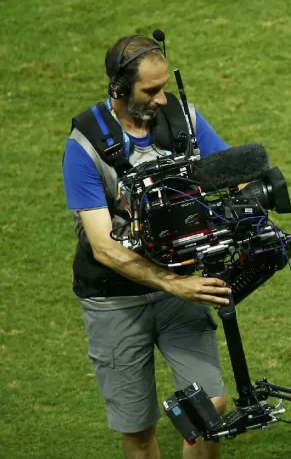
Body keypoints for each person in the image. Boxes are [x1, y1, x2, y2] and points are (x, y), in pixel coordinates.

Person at [62, 34, 234, 459]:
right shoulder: (84, 146)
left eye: (165, 87)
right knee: (138, 430)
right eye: (151, 91)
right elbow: (104, 248)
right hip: (114, 299)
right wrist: (179, 285)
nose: (162, 100)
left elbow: (231, 173)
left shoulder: (183, 118)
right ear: (119, 90)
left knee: (209, 410)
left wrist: (251, 195)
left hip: (179, 286)